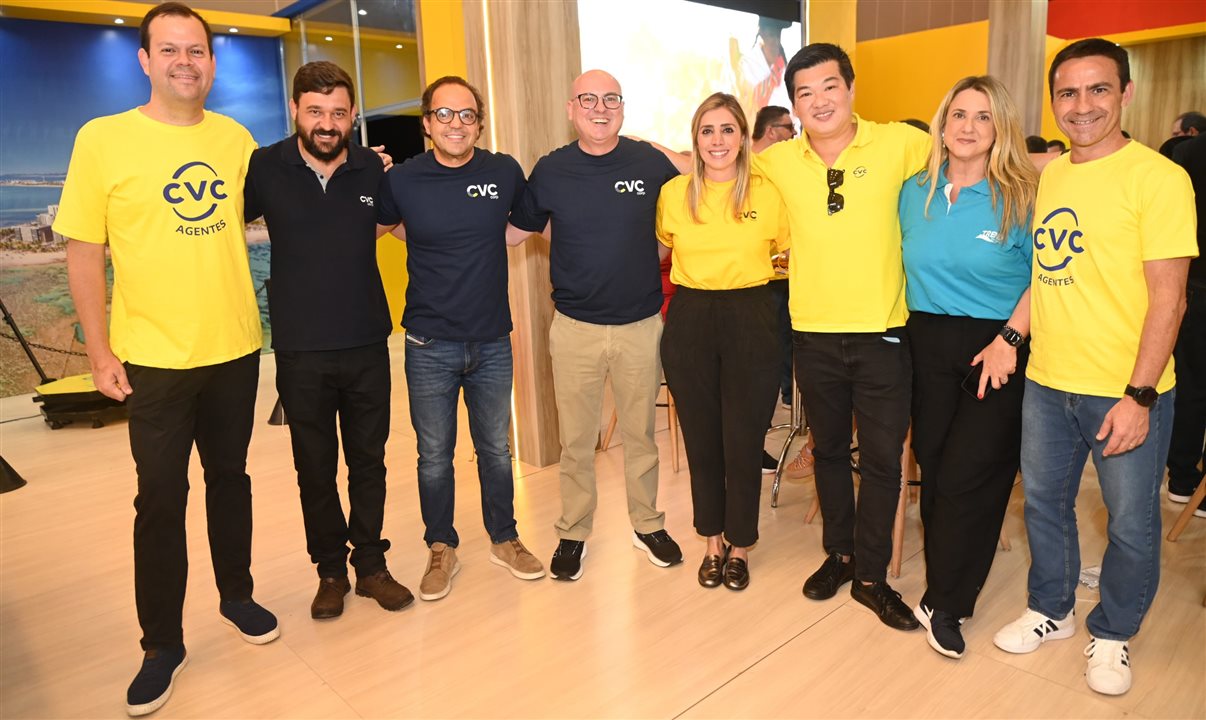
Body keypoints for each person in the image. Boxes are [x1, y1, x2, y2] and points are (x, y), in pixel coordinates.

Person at [55, 3, 278, 716]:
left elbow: (280, 210)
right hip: (151, 357)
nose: (187, 62)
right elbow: (84, 250)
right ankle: (162, 642)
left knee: (230, 480)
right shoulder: (103, 139)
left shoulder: (236, 138)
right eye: (171, 50)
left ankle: (237, 596)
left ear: (212, 63)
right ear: (146, 61)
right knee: (159, 500)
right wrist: (98, 348)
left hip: (234, 347)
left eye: (198, 51)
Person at [992, 38, 1196, 696]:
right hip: (1050, 382)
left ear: (1126, 93)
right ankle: (1051, 607)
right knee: (1045, 504)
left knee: (1131, 522)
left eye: (1098, 90)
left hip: (1123, 390)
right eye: (1068, 93)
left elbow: (1171, 296)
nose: (1082, 106)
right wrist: (1010, 336)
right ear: (1054, 102)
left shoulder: (1160, 178)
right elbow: (1047, 270)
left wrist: (1139, 395)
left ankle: (1111, 633)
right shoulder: (1054, 174)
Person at [755, 42, 930, 632]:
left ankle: (873, 578)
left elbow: (969, 156)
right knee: (827, 451)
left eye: (830, 86)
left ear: (851, 89)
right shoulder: (779, 160)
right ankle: (841, 554)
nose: (819, 100)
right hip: (813, 335)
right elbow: (710, 161)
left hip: (884, 334)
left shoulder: (901, 144)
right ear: (795, 105)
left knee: (882, 460)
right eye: (805, 92)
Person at [243, 61, 410, 619]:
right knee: (313, 466)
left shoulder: (374, 169)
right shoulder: (264, 168)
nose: (327, 123)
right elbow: (213, 231)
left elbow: (397, 224)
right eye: (315, 111)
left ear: (353, 114)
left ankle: (370, 565)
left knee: (370, 460)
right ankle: (330, 572)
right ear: (295, 110)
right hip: (300, 349)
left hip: (367, 342)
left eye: (338, 112)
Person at [509, 70, 683, 581]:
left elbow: (694, 205)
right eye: (589, 99)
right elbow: (518, 230)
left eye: (611, 99)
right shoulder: (551, 169)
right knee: (576, 441)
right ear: (571, 108)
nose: (600, 107)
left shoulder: (649, 161)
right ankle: (573, 531)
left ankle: (646, 523)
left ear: (623, 108)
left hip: (640, 325)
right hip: (575, 328)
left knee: (641, 438)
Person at [377, 76, 544, 601]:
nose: (456, 124)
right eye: (444, 115)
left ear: (479, 122)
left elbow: (521, 227)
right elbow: (386, 227)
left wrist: (483, 242)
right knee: (434, 454)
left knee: (496, 450)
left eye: (467, 114)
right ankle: (441, 547)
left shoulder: (503, 171)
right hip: (428, 342)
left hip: (492, 340)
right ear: (426, 123)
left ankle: (505, 537)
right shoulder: (403, 180)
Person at [900, 76, 1038, 659]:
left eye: (983, 117)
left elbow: (1046, 277)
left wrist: (1010, 337)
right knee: (935, 468)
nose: (968, 127)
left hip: (998, 345)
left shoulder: (1024, 195)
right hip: (924, 339)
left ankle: (950, 602)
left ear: (999, 127)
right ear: (943, 121)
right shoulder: (914, 190)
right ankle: (940, 584)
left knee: (971, 477)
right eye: (958, 114)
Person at [657, 92, 788, 591]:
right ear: (696, 138)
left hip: (751, 316)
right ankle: (711, 541)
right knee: (702, 440)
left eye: (727, 130)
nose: (718, 140)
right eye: (708, 131)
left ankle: (741, 545)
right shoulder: (674, 194)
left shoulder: (766, 193)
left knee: (744, 440)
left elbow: (789, 255)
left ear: (743, 138)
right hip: (690, 318)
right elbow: (661, 253)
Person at [1166, 131, 1206, 517]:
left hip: (1190, 284)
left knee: (1190, 386)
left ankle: (1181, 477)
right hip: (1190, 283)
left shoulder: (1186, 153)